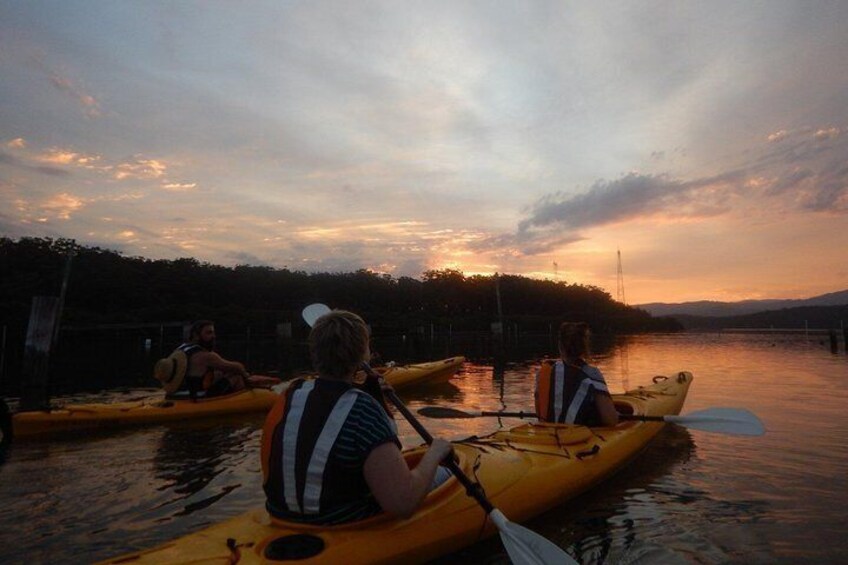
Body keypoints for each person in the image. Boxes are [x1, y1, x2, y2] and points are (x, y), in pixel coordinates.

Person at [261, 310, 453, 525]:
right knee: (447, 474)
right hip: (340, 522)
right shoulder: (362, 409)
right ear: (363, 354)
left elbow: (327, 408)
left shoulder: (290, 394)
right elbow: (402, 503)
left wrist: (367, 393)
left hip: (281, 516)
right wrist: (435, 452)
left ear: (314, 352)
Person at [534, 322, 619, 427]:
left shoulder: (542, 373)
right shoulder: (592, 374)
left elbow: (539, 413)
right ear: (584, 348)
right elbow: (610, 420)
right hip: (578, 437)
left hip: (546, 435)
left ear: (560, 346)